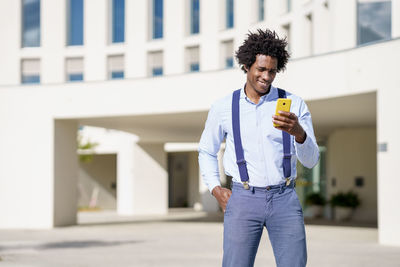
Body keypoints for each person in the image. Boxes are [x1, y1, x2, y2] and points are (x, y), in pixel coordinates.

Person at [198, 29, 319, 267]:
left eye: (272, 71)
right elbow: (207, 151)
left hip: (284, 197)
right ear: (246, 66)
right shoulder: (223, 107)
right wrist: (215, 188)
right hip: (243, 198)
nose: (267, 76)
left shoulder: (294, 103)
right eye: (261, 69)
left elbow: (312, 160)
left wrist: (299, 133)